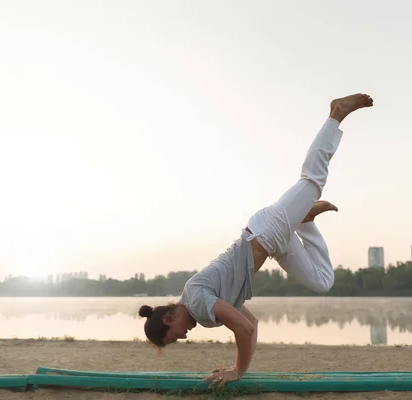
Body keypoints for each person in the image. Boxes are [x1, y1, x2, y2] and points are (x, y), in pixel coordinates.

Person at [138, 93, 373, 388]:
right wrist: (238, 366)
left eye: (174, 337)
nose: (183, 338)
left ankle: (336, 114)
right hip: (274, 242)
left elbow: (244, 330)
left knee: (312, 181)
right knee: (322, 281)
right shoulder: (201, 306)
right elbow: (252, 325)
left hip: (266, 231)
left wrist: (238, 370)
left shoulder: (196, 301)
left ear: (168, 321)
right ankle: (305, 222)